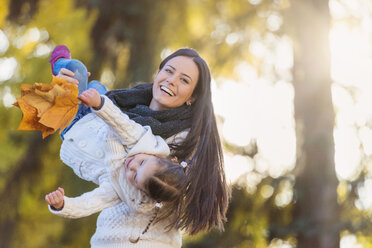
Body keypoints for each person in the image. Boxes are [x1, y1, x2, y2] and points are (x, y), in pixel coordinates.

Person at [54, 47, 230, 246]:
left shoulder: (184, 142)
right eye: (169, 71)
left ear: (193, 96)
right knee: (82, 78)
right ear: (159, 72)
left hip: (138, 243)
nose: (172, 80)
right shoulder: (127, 105)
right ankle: (62, 67)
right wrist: (67, 87)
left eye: (184, 80)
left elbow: (130, 188)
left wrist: (69, 107)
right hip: (107, 237)